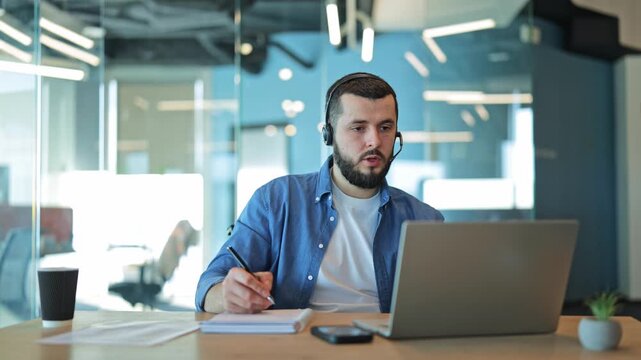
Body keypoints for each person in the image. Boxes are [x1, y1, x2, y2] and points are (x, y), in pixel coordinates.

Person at [196, 72, 443, 314]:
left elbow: (442, 306)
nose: (374, 141)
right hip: (299, 347)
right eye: (358, 128)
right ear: (329, 134)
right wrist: (226, 296)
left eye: (385, 127)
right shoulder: (277, 200)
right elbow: (209, 285)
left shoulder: (425, 219)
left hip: (385, 348)